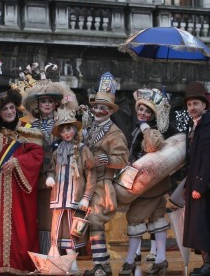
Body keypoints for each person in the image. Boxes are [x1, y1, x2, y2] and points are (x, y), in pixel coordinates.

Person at [0, 88, 44, 275]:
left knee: (24, 228)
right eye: (4, 109)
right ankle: (3, 266)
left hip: (21, 189)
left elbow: (37, 154)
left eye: (11, 107)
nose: (9, 111)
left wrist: (18, 161)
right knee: (0, 231)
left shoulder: (27, 130)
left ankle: (23, 266)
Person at [20, 64, 78, 254]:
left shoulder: (63, 124)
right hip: (37, 178)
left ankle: (63, 253)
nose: (46, 105)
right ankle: (46, 252)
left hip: (62, 177)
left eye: (50, 101)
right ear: (37, 104)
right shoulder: (30, 125)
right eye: (43, 101)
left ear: (55, 104)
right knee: (42, 216)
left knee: (60, 215)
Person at [118, 88, 176, 275]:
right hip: (149, 182)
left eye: (147, 111)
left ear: (153, 114)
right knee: (157, 218)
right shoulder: (139, 127)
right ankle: (161, 260)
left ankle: (129, 261)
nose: (142, 113)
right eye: (141, 109)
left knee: (134, 217)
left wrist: (145, 127)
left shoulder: (153, 129)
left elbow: (152, 145)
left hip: (149, 183)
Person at [82, 72, 128, 276]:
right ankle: (102, 264)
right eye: (96, 107)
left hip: (103, 185)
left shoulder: (115, 133)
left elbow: (123, 160)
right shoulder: (91, 128)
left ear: (110, 111)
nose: (98, 110)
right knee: (90, 224)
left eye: (103, 107)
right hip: (89, 184)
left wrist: (102, 160)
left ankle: (101, 266)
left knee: (96, 222)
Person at [182, 82, 210, 276]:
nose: (192, 108)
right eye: (189, 104)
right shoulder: (198, 125)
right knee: (200, 223)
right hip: (196, 180)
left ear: (205, 105)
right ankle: (209, 261)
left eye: (196, 103)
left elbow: (208, 158)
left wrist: (199, 185)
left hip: (203, 183)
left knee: (203, 224)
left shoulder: (209, 125)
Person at [47, 105, 95, 273]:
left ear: (75, 129)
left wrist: (87, 196)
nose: (66, 133)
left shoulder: (83, 150)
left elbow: (91, 175)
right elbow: (52, 168)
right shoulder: (57, 151)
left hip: (75, 198)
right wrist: (50, 176)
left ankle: (72, 264)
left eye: (69, 129)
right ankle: (57, 263)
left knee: (72, 232)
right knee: (57, 231)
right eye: (63, 131)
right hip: (58, 198)